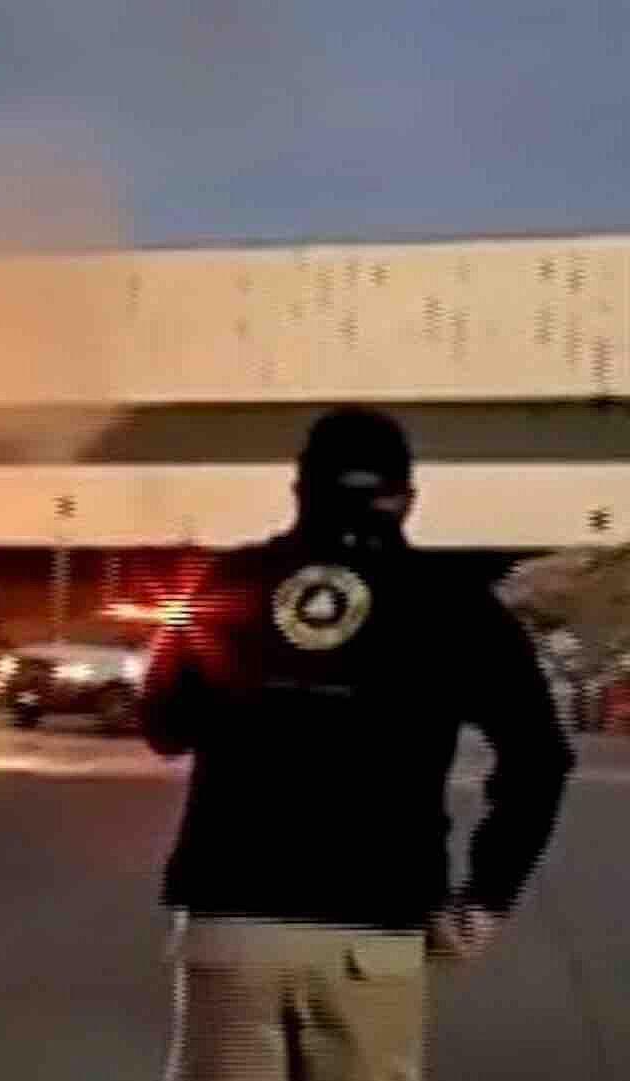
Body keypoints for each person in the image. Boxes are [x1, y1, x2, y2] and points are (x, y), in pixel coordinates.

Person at [141, 407, 573, 1081]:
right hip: (373, 930)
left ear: (299, 490)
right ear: (405, 497)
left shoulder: (231, 583)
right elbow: (540, 755)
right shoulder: (454, 602)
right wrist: (488, 894)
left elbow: (164, 727)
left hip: (232, 925)